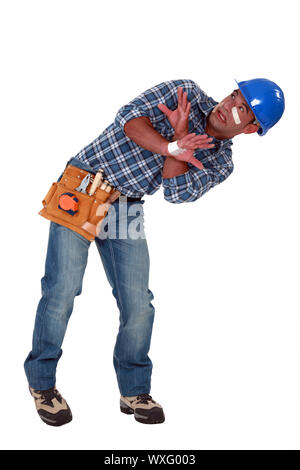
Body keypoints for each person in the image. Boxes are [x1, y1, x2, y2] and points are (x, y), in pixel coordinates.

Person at [24, 78, 285, 426]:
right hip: (85, 183)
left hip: (126, 207)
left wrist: (177, 148)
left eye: (243, 109)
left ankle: (134, 390)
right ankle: (42, 384)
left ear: (251, 128)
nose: (229, 106)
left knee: (138, 304)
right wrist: (171, 146)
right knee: (62, 289)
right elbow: (128, 119)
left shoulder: (221, 163)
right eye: (234, 95)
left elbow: (176, 194)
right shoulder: (185, 93)